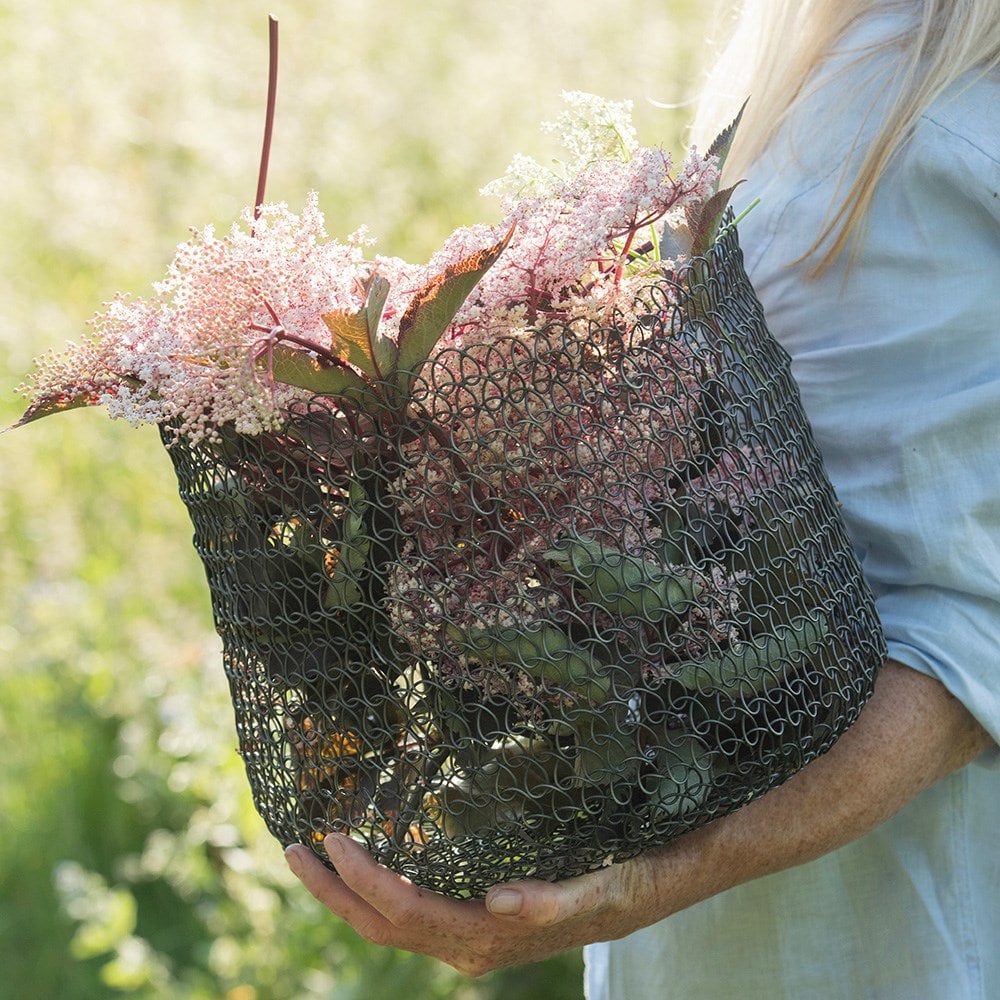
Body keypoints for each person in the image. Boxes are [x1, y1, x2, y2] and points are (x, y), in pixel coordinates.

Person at [284, 1, 1000, 995]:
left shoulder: (930, 129)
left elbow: (966, 651)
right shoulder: (836, 72)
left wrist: (641, 881)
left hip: (883, 948)